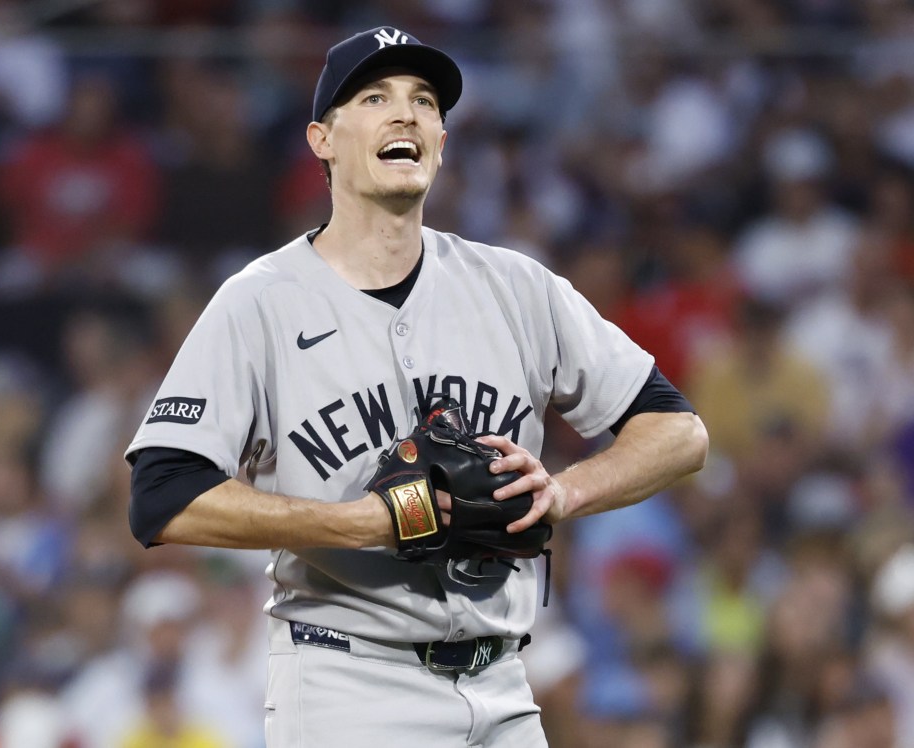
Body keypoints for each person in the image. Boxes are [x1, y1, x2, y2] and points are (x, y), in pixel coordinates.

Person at [125, 27, 708, 747]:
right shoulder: (261, 301)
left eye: (424, 101)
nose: (406, 114)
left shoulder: (516, 286)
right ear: (322, 140)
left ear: (440, 140)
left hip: (503, 684)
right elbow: (162, 496)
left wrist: (561, 492)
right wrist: (367, 522)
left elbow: (679, 432)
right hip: (349, 685)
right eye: (375, 97)